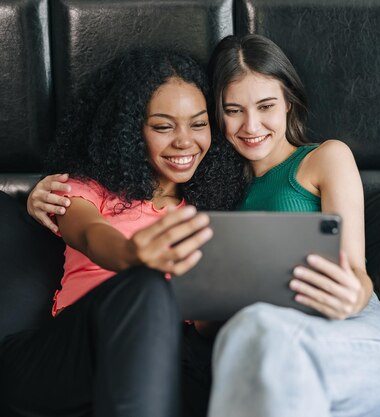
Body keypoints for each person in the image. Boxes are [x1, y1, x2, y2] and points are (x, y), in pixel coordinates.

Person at [28, 34, 380, 417]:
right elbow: (207, 321)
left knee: (259, 341)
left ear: (289, 104)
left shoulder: (323, 158)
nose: (251, 125)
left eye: (266, 106)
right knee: (251, 342)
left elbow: (356, 272)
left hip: (343, 324)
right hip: (256, 341)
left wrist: (355, 296)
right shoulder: (219, 195)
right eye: (233, 110)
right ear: (218, 116)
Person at [6, 49, 245, 417]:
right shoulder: (84, 189)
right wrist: (135, 257)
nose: (185, 141)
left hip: (170, 355)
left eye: (198, 124)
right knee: (146, 288)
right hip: (78, 347)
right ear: (131, 130)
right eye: (164, 126)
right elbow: (89, 234)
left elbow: (205, 323)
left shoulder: (210, 212)